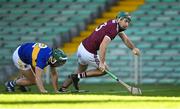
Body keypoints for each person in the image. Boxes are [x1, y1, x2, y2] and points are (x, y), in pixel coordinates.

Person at [58, 11, 141, 92]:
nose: (127, 24)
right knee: (104, 70)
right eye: (126, 21)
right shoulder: (113, 29)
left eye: (129, 22)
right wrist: (102, 62)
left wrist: (133, 48)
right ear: (119, 19)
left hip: (82, 47)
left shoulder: (113, 23)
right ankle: (77, 76)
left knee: (80, 70)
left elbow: (125, 38)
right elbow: (103, 46)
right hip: (88, 51)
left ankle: (63, 88)